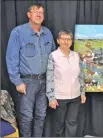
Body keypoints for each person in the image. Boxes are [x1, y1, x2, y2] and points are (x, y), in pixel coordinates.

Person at [5, 4, 56, 137]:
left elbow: (53, 57)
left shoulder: (48, 33)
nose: (39, 14)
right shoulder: (18, 32)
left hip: (44, 81)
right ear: (29, 15)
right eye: (35, 12)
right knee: (26, 116)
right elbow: (11, 58)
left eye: (41, 12)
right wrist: (17, 81)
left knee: (41, 115)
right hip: (27, 82)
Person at [46, 30, 86, 137]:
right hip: (60, 97)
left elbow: (81, 76)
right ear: (58, 40)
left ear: (71, 41)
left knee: (72, 123)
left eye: (68, 39)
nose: (66, 41)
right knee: (59, 124)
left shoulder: (76, 56)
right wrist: (51, 98)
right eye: (63, 39)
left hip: (75, 97)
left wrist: (82, 93)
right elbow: (49, 78)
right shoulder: (53, 56)